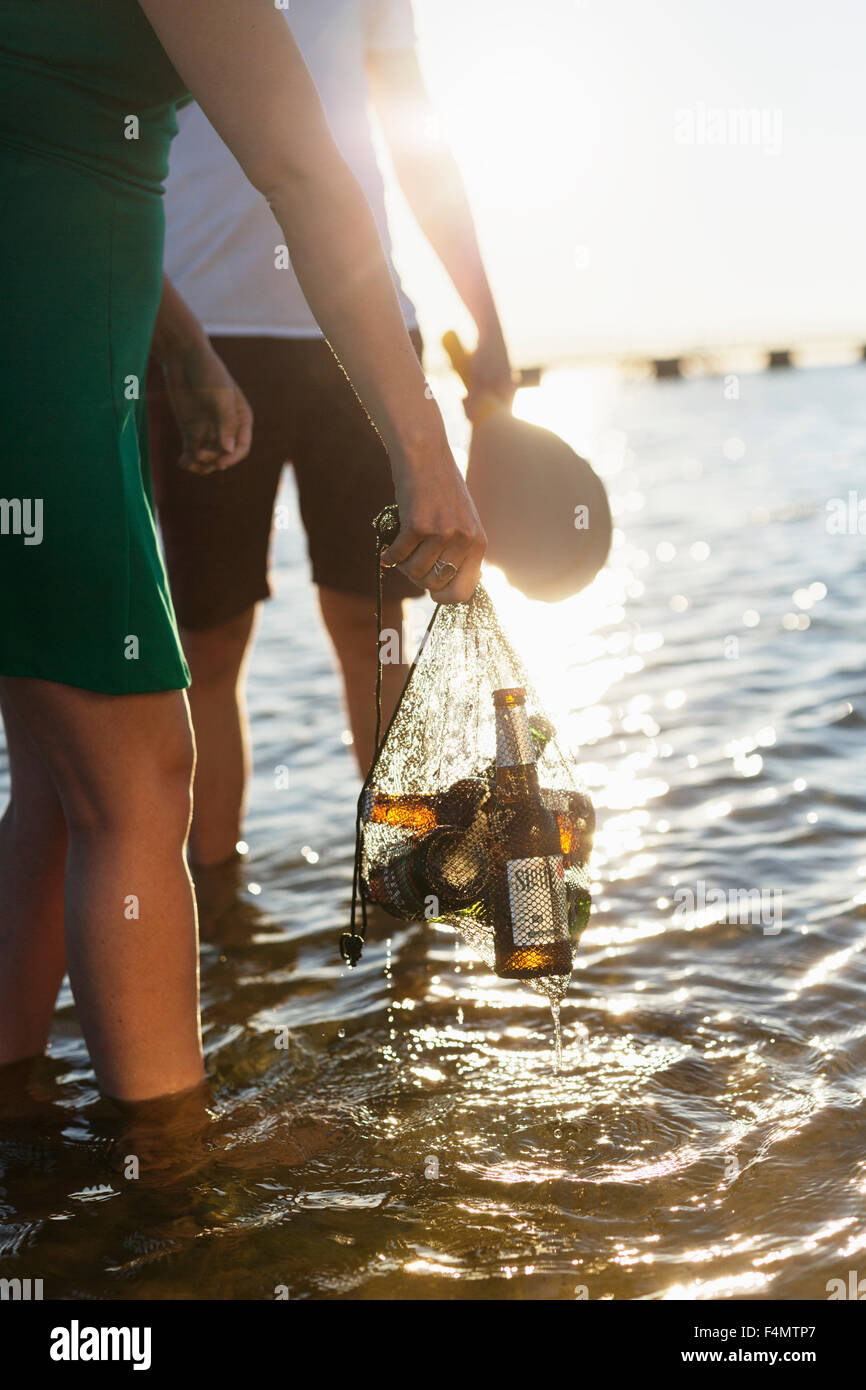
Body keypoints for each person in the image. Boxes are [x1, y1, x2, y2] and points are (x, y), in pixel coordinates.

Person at [0, 0, 485, 1104]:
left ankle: (20, 1133)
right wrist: (422, 448)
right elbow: (302, 173)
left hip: (64, 352)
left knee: (59, 780)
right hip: (41, 379)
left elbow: (44, 140)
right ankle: (174, 1183)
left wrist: (180, 345)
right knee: (137, 778)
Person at [148, 0, 514, 883]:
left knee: (374, 622)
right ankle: (218, 903)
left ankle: (404, 882)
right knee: (210, 637)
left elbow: (417, 140)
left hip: (363, 332)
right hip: (205, 335)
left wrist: (487, 317)